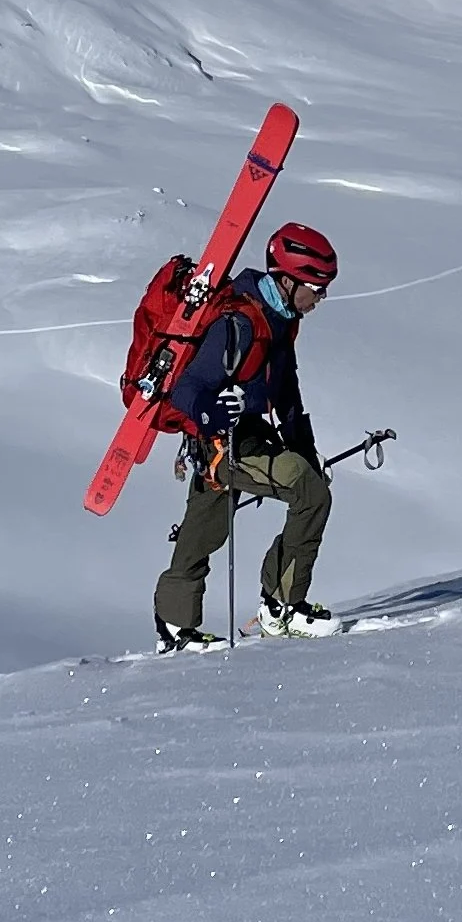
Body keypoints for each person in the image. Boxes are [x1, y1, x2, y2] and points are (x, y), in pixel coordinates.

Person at [152, 222, 341, 650]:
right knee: (309, 494)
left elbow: (287, 391)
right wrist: (213, 410)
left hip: (242, 436)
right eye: (317, 286)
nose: (321, 297)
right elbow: (186, 390)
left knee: (205, 528)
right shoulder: (238, 322)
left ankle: (175, 623)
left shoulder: (282, 320)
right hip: (220, 442)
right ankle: (282, 607)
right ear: (288, 280)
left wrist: (304, 449)